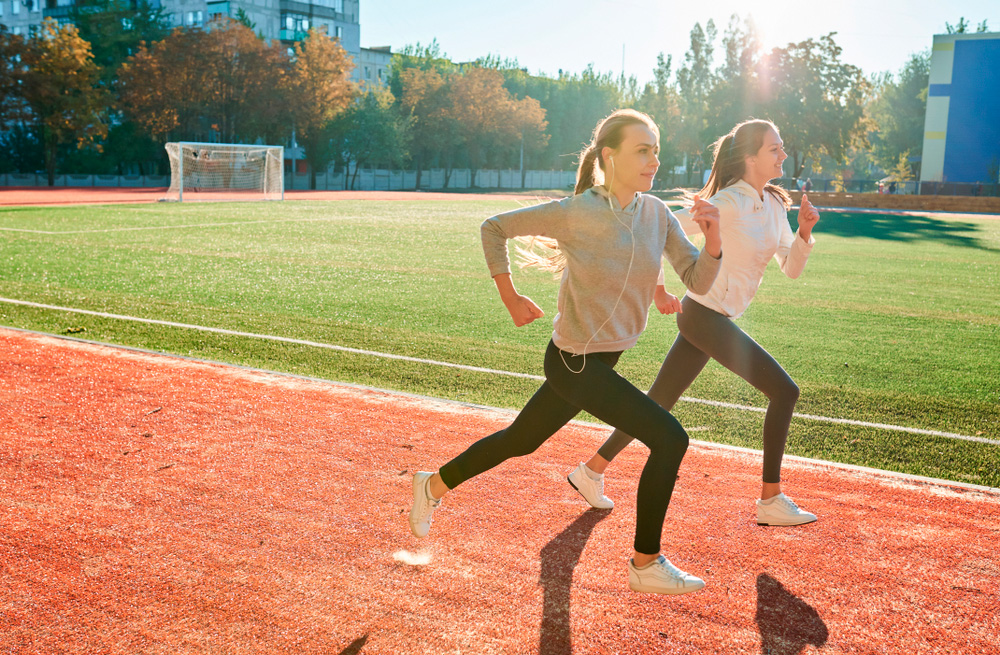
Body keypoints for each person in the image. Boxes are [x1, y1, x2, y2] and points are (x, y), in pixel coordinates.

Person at [409, 109, 723, 595]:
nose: (653, 159)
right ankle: (645, 561)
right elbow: (493, 227)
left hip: (600, 361)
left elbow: (698, 279)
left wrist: (714, 237)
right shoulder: (577, 212)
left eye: (656, 149)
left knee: (521, 440)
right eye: (643, 149)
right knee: (670, 438)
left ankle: (432, 485)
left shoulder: (657, 214)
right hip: (574, 362)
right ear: (608, 156)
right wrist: (510, 297)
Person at [567, 118, 821, 528]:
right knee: (785, 392)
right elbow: (659, 228)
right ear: (751, 157)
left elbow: (790, 268)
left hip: (710, 317)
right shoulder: (729, 202)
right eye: (775, 148)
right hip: (703, 316)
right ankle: (770, 499)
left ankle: (590, 470)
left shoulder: (775, 204)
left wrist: (805, 234)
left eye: (782, 147)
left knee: (656, 404)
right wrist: (659, 288)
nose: (783, 154)